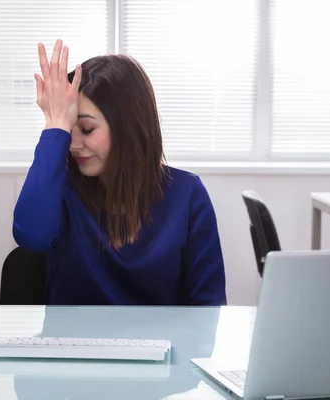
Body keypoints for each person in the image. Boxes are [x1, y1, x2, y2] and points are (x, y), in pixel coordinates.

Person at [12, 39, 227, 306]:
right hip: (73, 346)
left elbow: (209, 307)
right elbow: (32, 237)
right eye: (69, 131)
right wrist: (55, 127)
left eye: (87, 129)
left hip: (161, 345)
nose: (73, 145)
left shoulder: (187, 195)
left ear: (128, 128)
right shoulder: (62, 189)